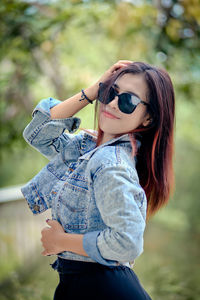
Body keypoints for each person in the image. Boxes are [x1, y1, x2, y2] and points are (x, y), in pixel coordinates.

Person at [21, 60, 175, 300]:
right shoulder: (87, 148)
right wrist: (92, 91)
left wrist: (61, 241)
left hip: (101, 288)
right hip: (83, 285)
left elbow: (127, 243)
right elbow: (37, 134)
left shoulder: (110, 164)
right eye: (111, 92)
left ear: (148, 119)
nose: (113, 103)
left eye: (128, 101)